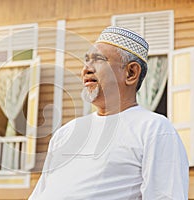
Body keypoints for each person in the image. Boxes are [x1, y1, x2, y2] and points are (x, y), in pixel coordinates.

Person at [29, 26, 189, 199]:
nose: (86, 70)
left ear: (131, 73)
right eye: (86, 61)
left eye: (98, 60)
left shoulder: (155, 130)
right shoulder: (66, 133)